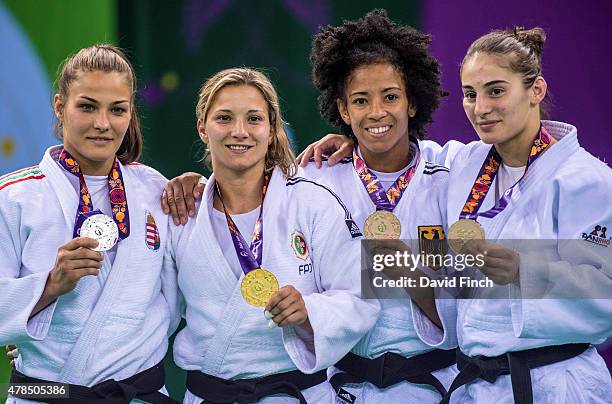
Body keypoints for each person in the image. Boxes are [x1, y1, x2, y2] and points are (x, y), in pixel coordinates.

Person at [299, 26, 612, 403]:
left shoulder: (586, 179)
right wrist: (359, 139)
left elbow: (605, 289)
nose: (481, 107)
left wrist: (522, 270)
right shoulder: (466, 165)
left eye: (496, 91)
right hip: (477, 386)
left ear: (536, 91)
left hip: (556, 380)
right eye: (470, 94)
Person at [163, 10, 459, 403]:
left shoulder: (449, 178)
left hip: (431, 381)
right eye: (360, 100)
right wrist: (196, 183)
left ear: (413, 102)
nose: (375, 112)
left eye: (390, 97)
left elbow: (489, 284)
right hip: (344, 385)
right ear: (343, 110)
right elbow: (247, 188)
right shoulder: (320, 179)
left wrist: (412, 273)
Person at [167, 67, 379, 403]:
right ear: (202, 129)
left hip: (295, 394)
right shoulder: (182, 214)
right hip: (210, 394)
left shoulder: (313, 201)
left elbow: (362, 297)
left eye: (254, 119)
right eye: (224, 118)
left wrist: (309, 312)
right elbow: (153, 310)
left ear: (271, 129)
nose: (240, 131)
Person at [0, 45, 180, 403]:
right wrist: (50, 285)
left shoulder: (157, 191)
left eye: (117, 110)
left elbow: (186, 294)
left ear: (130, 114)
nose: (102, 123)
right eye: (87, 106)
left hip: (138, 394)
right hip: (44, 394)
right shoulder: (13, 197)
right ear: (59, 106)